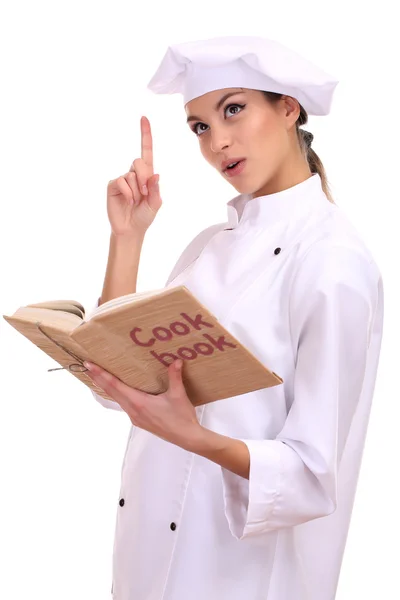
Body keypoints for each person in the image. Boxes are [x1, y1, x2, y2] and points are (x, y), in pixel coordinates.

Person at [83, 36, 384, 600]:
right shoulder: (206, 247)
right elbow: (118, 386)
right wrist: (127, 240)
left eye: (233, 109)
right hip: (145, 557)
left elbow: (311, 475)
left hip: (238, 574)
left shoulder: (332, 263)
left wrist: (190, 435)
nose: (217, 141)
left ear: (288, 107)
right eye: (199, 126)